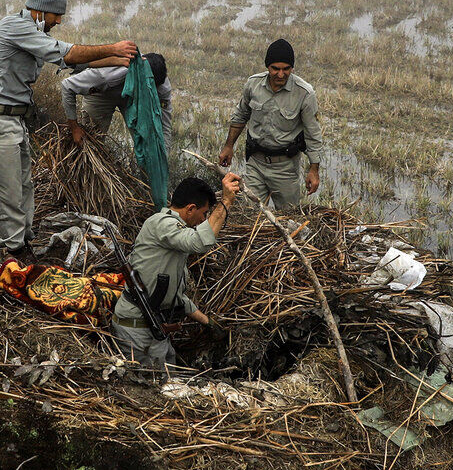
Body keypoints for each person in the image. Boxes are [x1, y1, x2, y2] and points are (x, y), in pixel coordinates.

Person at [0, 0, 137, 259]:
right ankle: (15, 250)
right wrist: (113, 47)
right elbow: (68, 54)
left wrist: (118, 60)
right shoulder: (14, 27)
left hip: (13, 120)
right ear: (38, 10)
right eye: (56, 15)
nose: (58, 21)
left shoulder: (34, 34)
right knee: (9, 189)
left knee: (23, 185)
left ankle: (24, 240)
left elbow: (69, 60)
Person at [111, 173, 240, 366]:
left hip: (154, 332)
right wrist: (226, 202)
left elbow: (176, 297)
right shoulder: (162, 223)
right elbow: (199, 242)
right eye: (204, 213)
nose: (203, 220)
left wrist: (207, 322)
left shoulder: (174, 237)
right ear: (190, 209)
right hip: (137, 333)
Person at [218, 38, 323, 208]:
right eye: (275, 69)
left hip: (285, 168)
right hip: (255, 163)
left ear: (292, 68)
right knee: (250, 213)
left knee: (289, 217)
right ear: (267, 67)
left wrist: (314, 170)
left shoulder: (304, 93)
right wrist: (228, 146)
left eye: (286, 69)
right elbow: (241, 115)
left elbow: (313, 134)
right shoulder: (253, 84)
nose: (281, 74)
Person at [62, 52, 173, 152]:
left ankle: (146, 172)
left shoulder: (161, 85)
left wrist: (164, 151)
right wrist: (74, 128)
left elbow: (164, 122)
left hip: (133, 97)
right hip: (101, 94)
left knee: (148, 142)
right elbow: (67, 86)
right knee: (91, 140)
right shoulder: (105, 74)